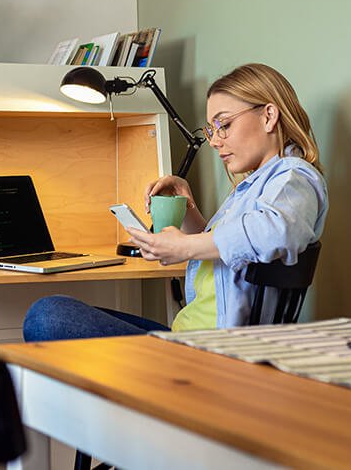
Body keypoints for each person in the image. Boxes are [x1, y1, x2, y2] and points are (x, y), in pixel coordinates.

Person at [22, 63, 328, 341]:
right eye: (211, 129)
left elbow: (275, 233)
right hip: (184, 337)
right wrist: (188, 207)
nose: (214, 140)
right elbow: (225, 253)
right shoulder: (257, 184)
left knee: (48, 315)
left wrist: (182, 247)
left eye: (224, 124)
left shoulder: (294, 178)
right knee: (57, 308)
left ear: (268, 115)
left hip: (210, 350)